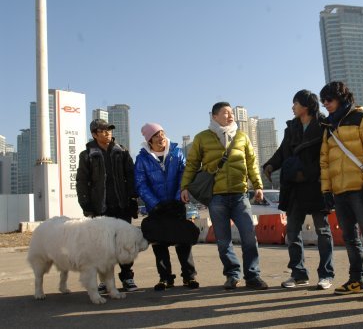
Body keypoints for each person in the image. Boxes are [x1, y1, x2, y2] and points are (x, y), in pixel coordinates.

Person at [181, 102, 268, 290]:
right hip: (216, 197)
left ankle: (253, 276)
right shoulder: (202, 138)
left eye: (231, 113)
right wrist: (185, 187)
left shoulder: (242, 136)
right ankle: (232, 275)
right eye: (225, 113)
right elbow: (192, 164)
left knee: (249, 237)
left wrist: (258, 185)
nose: (230, 116)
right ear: (214, 116)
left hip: (240, 195)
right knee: (223, 241)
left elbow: (252, 163)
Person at [319, 81, 363, 300]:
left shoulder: (361, 117)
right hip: (339, 191)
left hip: (360, 187)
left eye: (329, 100)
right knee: (350, 238)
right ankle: (357, 279)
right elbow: (325, 161)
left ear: (340, 97)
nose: (326, 105)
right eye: (323, 102)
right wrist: (326, 190)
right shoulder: (329, 126)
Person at [263, 89, 335, 290]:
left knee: (323, 231)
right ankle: (298, 274)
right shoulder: (291, 128)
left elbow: (328, 155)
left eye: (295, 103)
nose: (292, 107)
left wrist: (309, 173)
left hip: (317, 185)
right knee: (293, 231)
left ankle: (326, 274)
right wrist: (270, 165)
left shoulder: (324, 125)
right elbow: (282, 152)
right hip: (294, 186)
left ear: (306, 105)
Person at [134, 123, 199, 291]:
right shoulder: (142, 159)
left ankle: (189, 277)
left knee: (183, 241)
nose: (161, 137)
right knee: (159, 244)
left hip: (177, 204)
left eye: (162, 133)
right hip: (156, 208)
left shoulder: (176, 153)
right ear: (149, 140)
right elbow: (141, 184)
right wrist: (155, 203)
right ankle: (165, 278)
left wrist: (178, 198)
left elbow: (184, 175)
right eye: (156, 135)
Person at [76, 118, 139, 292]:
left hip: (122, 205)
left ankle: (127, 277)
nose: (108, 133)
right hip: (100, 207)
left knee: (126, 242)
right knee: (103, 245)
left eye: (109, 130)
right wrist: (86, 204)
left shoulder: (122, 151)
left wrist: (133, 198)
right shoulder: (87, 155)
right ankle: (105, 280)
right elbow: (82, 181)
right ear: (94, 134)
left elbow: (131, 176)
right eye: (103, 131)